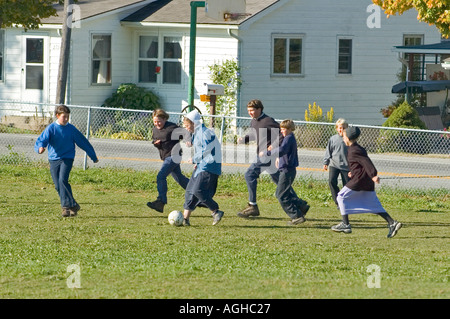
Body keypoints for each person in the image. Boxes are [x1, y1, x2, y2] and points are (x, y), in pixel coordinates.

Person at [237, 99, 309, 218]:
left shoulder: (268, 120)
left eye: (252, 110)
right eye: (248, 111)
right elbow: (254, 134)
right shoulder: (254, 122)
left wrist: (274, 146)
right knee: (279, 182)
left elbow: (282, 133)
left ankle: (252, 206)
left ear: (259, 109)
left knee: (249, 174)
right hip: (265, 156)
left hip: (267, 156)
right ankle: (300, 204)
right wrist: (243, 139)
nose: (250, 113)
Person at [331, 126, 402, 238]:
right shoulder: (354, 148)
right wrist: (352, 172)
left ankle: (346, 224)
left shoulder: (355, 150)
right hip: (364, 180)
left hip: (360, 181)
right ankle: (392, 223)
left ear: (348, 138)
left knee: (340, 196)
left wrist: (373, 175)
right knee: (373, 204)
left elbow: (366, 162)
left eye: (344, 136)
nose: (343, 138)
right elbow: (359, 165)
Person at [34, 104, 99, 217]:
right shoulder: (51, 128)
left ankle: (65, 208)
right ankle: (73, 205)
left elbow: (83, 142)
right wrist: (40, 148)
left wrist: (93, 155)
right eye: (64, 116)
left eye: (67, 117)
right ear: (57, 115)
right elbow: (42, 140)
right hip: (54, 159)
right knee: (58, 185)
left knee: (62, 180)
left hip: (67, 158)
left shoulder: (71, 129)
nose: (66, 119)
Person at [260, 120, 309, 225]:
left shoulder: (289, 138)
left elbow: (282, 150)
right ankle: (301, 205)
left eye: (284, 129)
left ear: (290, 129)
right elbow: (283, 152)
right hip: (286, 169)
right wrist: (279, 158)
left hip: (287, 170)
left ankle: (296, 216)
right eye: (281, 129)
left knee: (281, 195)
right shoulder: (289, 137)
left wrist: (267, 153)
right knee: (283, 193)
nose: (282, 131)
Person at [182, 109, 224, 226]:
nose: (186, 128)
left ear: (194, 123)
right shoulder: (197, 133)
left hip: (209, 167)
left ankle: (215, 211)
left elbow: (207, 149)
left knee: (198, 191)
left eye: (187, 126)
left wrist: (195, 159)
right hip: (201, 166)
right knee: (190, 191)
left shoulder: (206, 133)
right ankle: (185, 219)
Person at [147, 109, 190, 213]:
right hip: (166, 156)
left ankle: (161, 201)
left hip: (174, 155)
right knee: (180, 179)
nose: (157, 124)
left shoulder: (171, 127)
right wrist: (156, 143)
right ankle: (200, 195)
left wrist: (188, 140)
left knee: (161, 176)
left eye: (159, 121)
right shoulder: (155, 129)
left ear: (165, 119)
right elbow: (155, 140)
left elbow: (185, 133)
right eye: (155, 121)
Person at [323, 118, 350, 208]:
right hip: (334, 165)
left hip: (346, 166)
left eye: (342, 128)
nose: (340, 130)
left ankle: (345, 202)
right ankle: (338, 201)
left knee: (346, 186)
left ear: (346, 128)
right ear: (336, 129)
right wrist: (326, 162)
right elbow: (329, 151)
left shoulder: (349, 139)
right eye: (339, 128)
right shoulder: (333, 139)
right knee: (332, 182)